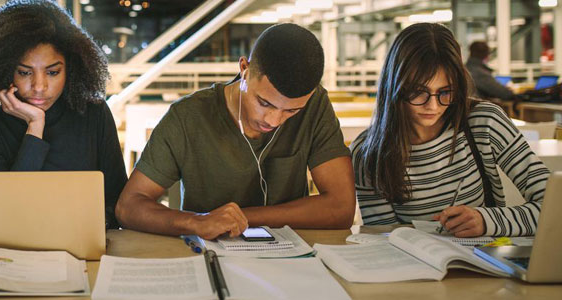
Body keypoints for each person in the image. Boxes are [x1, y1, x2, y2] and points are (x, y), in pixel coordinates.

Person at [114, 24, 355, 240]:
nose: (274, 120)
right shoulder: (188, 117)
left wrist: (244, 218)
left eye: (292, 111)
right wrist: (197, 221)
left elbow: (341, 208)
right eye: (264, 103)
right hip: (209, 257)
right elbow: (128, 207)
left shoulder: (316, 105)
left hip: (291, 260)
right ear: (244, 69)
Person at [351, 23, 549, 237]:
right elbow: (386, 238)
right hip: (415, 267)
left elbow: (555, 207)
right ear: (394, 87)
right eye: (418, 92)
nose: (433, 106)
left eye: (446, 92)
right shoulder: (368, 153)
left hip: (487, 265)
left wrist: (487, 221)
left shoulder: (485, 122)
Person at [0, 0, 127, 229]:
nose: (39, 86)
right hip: (16, 250)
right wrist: (35, 125)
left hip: (84, 244)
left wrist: (90, 226)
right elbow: (7, 211)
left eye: (52, 72)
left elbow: (118, 202)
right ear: (4, 69)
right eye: (25, 72)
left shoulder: (93, 113)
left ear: (72, 69)